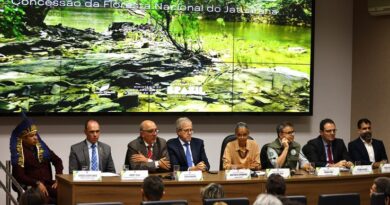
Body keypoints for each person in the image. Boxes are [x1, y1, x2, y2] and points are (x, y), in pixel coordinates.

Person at [10, 116, 63, 204]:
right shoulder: (18, 152)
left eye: (36, 134)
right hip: (32, 187)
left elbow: (57, 161)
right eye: (32, 136)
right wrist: (36, 183)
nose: (36, 137)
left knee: (66, 192)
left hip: (48, 183)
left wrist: (58, 177)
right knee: (45, 198)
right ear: (24, 138)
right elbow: (19, 176)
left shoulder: (42, 147)